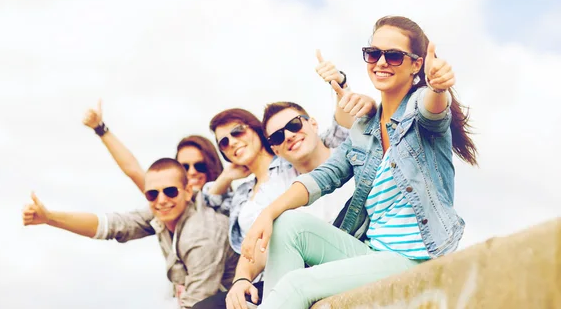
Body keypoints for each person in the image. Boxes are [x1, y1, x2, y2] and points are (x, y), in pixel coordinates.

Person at [241, 16, 479, 309]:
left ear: (416, 64)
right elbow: (323, 177)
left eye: (393, 56)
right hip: (371, 253)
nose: (381, 62)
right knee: (288, 222)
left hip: (413, 259)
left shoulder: (420, 111)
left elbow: (433, 111)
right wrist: (268, 213)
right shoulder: (364, 131)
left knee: (297, 284)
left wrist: (439, 88)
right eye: (373, 54)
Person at [193, 56, 377, 309]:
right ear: (275, 149)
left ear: (313, 123)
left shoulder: (346, 153)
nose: (289, 135)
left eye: (294, 125)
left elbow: (351, 120)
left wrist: (340, 83)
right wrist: (241, 279)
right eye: (278, 136)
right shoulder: (275, 184)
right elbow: (255, 238)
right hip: (294, 271)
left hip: (348, 258)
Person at [22, 158, 239, 308]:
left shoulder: (201, 236)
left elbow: (199, 303)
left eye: (170, 191)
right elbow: (113, 225)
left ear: (187, 192)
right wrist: (49, 218)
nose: (161, 200)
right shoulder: (162, 214)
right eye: (152, 194)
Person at [82, 99, 223, 192]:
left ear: (212, 165)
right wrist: (100, 128)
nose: (192, 172)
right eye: (184, 167)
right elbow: (133, 170)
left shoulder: (231, 204)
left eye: (200, 166)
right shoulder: (169, 202)